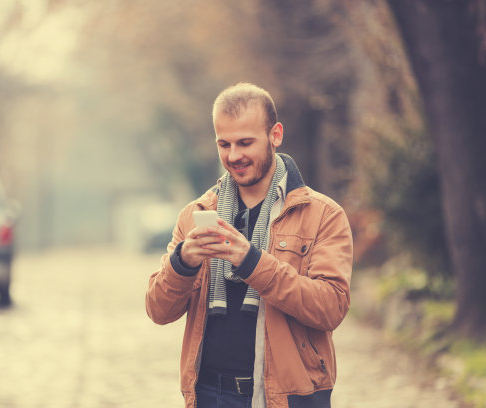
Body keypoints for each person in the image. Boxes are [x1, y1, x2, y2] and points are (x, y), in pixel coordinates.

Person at [145, 82, 353, 408]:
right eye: (224, 144)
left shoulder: (323, 214)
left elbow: (330, 309)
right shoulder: (197, 214)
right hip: (209, 394)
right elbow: (158, 310)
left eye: (245, 143)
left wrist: (252, 262)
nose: (234, 156)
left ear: (275, 135)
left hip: (289, 395)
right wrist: (182, 262)